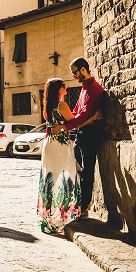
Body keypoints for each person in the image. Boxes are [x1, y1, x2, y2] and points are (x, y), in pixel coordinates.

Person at [37, 78, 101, 234]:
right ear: (59, 89)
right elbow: (75, 123)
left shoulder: (48, 106)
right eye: (64, 85)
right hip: (60, 146)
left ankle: (49, 217)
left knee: (51, 179)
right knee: (68, 177)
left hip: (50, 145)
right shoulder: (61, 105)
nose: (66, 87)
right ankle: (66, 215)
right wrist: (92, 118)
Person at [51, 57, 105, 219]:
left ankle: (84, 206)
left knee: (87, 171)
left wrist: (64, 127)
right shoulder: (83, 88)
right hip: (81, 134)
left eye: (75, 73)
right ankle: (73, 201)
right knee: (74, 169)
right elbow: (75, 112)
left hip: (91, 135)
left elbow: (82, 116)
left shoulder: (95, 90)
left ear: (83, 69)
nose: (74, 76)